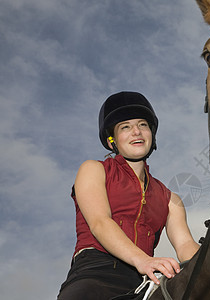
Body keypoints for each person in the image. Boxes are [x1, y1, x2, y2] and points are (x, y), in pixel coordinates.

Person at [57, 91, 200, 299]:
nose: (136, 132)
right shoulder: (93, 169)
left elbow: (186, 246)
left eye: (142, 125)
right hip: (95, 272)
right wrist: (142, 260)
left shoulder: (171, 199)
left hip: (142, 280)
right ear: (111, 139)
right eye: (125, 127)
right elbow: (100, 222)